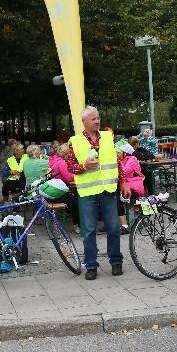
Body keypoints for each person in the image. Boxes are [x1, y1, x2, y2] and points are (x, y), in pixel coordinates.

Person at [65, 106, 130, 280]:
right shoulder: (76, 141)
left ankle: (116, 262)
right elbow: (70, 167)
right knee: (88, 231)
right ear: (84, 122)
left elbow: (117, 163)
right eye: (93, 119)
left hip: (108, 190)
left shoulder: (108, 137)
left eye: (98, 118)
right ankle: (91, 266)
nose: (97, 121)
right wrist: (84, 166)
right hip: (87, 193)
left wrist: (123, 182)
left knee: (114, 228)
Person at [49, 143, 80, 233]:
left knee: (73, 200)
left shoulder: (54, 160)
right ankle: (77, 225)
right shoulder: (62, 162)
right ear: (65, 153)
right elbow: (68, 177)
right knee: (76, 203)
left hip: (53, 189)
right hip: (58, 191)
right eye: (69, 153)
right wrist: (78, 175)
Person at [116, 141, 144, 234]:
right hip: (124, 186)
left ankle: (124, 226)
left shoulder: (132, 159)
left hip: (135, 188)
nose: (116, 154)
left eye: (118, 152)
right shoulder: (121, 160)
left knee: (118, 199)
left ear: (125, 152)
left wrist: (116, 165)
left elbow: (124, 171)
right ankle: (110, 223)